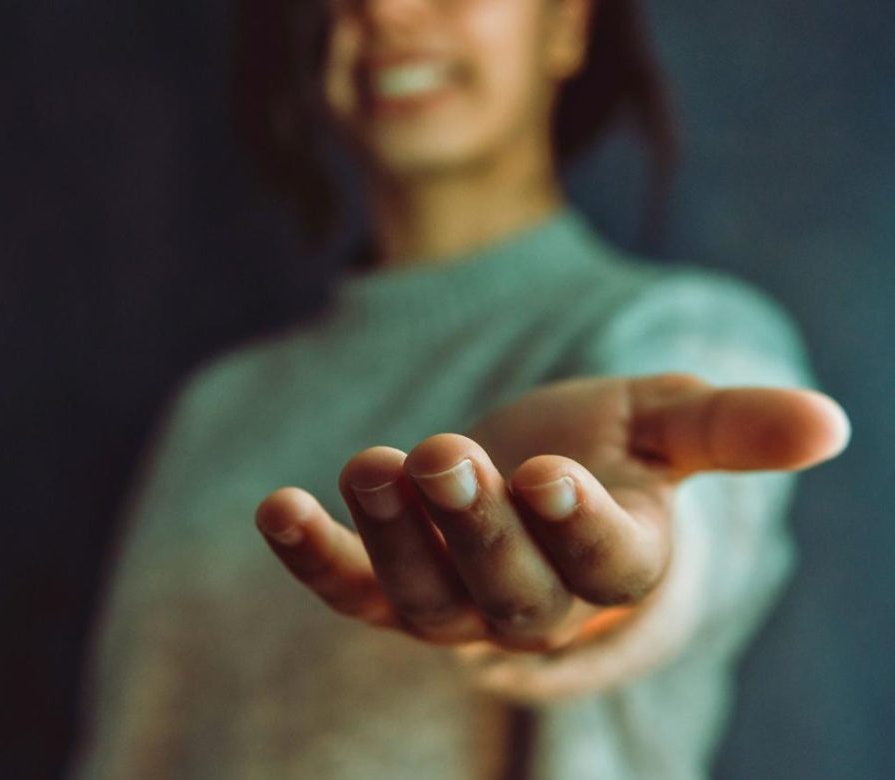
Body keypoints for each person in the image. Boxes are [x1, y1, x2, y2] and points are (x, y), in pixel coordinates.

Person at [70, 0, 851, 777]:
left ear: (568, 24)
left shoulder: (680, 327)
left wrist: (605, 569)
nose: (386, 11)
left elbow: (698, 520)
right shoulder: (217, 408)